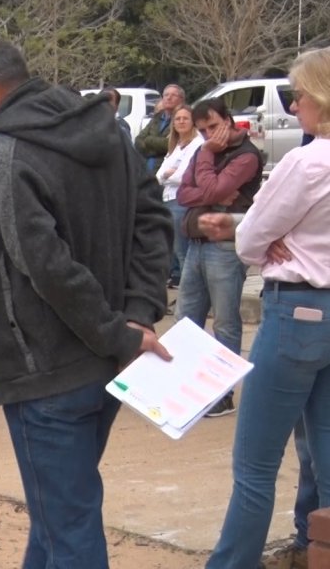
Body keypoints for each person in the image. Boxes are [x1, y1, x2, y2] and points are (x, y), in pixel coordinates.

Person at [0, 37, 172, 568]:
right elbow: (153, 223)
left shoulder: (2, 153)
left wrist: (122, 330)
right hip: (108, 363)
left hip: (48, 372)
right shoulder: (111, 133)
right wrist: (133, 319)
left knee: (69, 529)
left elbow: (44, 265)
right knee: (57, 519)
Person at [204, 47, 330, 569]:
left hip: (294, 310)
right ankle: (315, 547)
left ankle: (232, 563)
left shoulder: (307, 160)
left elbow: (252, 237)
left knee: (254, 463)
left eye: (298, 95)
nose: (294, 106)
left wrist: (267, 238)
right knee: (326, 458)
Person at [176, 97, 263, 416]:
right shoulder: (204, 150)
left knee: (225, 322)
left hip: (225, 246)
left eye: (213, 126)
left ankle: (222, 393)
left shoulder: (247, 155)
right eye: (202, 131)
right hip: (196, 243)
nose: (208, 135)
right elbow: (184, 192)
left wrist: (207, 157)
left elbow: (210, 190)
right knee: (186, 319)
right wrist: (208, 178)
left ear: (227, 120)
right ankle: (186, 384)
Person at [155, 106, 202, 289]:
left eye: (185, 118)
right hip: (168, 199)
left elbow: (184, 176)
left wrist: (168, 175)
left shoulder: (197, 144)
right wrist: (167, 174)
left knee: (183, 251)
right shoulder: (174, 146)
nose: (181, 122)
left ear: (193, 122)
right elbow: (159, 175)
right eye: (178, 119)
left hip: (181, 201)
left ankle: (189, 291)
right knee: (175, 250)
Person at [135, 84, 186, 173]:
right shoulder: (157, 117)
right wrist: (157, 148)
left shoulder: (182, 120)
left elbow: (170, 145)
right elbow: (138, 140)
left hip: (165, 172)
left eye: (173, 95)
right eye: (166, 95)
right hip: (145, 170)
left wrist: (148, 140)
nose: (169, 98)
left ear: (181, 99)